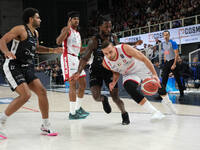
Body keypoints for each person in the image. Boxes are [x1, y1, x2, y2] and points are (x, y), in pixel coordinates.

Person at [0, 8, 63, 139]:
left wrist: (53, 50)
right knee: (25, 95)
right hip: (13, 65)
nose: (40, 19)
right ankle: (1, 122)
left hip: (27, 67)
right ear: (31, 19)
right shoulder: (20, 29)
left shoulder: (36, 34)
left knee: (42, 92)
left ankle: (45, 126)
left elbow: (37, 48)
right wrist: (6, 52)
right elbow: (2, 40)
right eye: (38, 17)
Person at [70, 15, 130, 125]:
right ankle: (103, 99)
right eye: (106, 27)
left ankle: (124, 114)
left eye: (110, 27)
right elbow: (84, 58)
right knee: (96, 97)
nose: (108, 29)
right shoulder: (94, 40)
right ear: (100, 27)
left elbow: (121, 52)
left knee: (115, 97)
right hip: (96, 70)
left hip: (110, 70)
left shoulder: (114, 38)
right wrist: (78, 71)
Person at [101, 41, 177, 121]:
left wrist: (154, 74)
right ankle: (154, 112)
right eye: (106, 53)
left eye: (110, 52)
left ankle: (168, 103)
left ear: (114, 48)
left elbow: (144, 59)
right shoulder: (106, 63)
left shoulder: (124, 48)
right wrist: (114, 82)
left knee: (158, 86)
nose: (109, 55)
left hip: (141, 67)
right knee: (129, 88)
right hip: (128, 74)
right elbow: (116, 72)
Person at [56, 11, 89, 120]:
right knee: (73, 85)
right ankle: (72, 113)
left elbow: (79, 50)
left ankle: (78, 108)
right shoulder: (67, 30)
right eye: (74, 19)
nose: (77, 21)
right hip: (68, 57)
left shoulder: (78, 34)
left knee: (83, 84)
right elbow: (58, 41)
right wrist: (66, 29)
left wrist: (90, 48)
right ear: (70, 20)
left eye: (78, 19)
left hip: (76, 58)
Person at [159, 30, 184, 97]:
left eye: (167, 35)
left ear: (169, 35)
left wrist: (174, 64)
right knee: (164, 78)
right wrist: (164, 57)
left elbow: (176, 54)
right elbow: (166, 51)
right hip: (167, 62)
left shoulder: (173, 43)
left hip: (173, 61)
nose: (165, 36)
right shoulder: (163, 44)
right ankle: (162, 93)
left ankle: (182, 93)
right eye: (164, 35)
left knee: (177, 78)